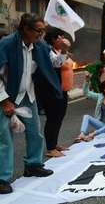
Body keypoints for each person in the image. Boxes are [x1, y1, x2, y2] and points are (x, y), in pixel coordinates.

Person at [0, 13, 60, 194]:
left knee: (35, 132)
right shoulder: (7, 44)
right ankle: (2, 178)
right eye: (38, 31)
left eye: (43, 31)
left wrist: (62, 50)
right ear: (25, 29)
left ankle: (33, 165)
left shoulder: (39, 45)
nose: (41, 35)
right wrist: (4, 101)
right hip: (6, 96)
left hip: (28, 94)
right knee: (4, 139)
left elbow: (54, 62)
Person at [36, 27, 72, 158]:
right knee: (53, 119)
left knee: (59, 118)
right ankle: (50, 148)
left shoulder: (57, 51)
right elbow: (56, 64)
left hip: (62, 90)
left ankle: (54, 144)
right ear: (53, 39)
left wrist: (64, 51)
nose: (63, 39)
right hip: (52, 91)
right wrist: (64, 51)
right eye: (60, 37)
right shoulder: (47, 50)